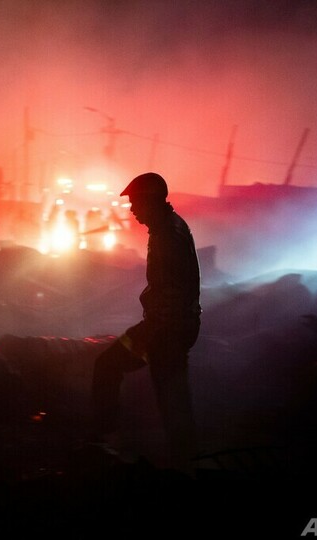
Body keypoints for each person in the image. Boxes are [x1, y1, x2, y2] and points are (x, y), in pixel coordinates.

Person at [89, 172, 202, 474]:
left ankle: (106, 442)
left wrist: (150, 334)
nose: (131, 209)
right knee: (172, 398)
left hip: (166, 329)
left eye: (135, 202)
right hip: (173, 327)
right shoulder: (169, 228)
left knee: (108, 366)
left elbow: (173, 292)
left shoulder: (167, 235)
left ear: (150, 200)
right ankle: (187, 463)